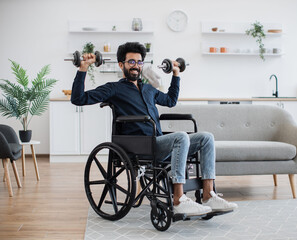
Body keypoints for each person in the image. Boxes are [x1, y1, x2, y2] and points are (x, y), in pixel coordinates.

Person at [71, 42, 237, 216]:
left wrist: (176, 73)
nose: (136, 66)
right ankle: (179, 199)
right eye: (131, 62)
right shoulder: (114, 88)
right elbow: (78, 98)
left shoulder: (148, 88)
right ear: (121, 65)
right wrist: (83, 68)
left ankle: (208, 195)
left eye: (139, 62)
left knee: (206, 137)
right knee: (181, 137)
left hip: (158, 142)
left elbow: (170, 101)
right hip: (138, 146)